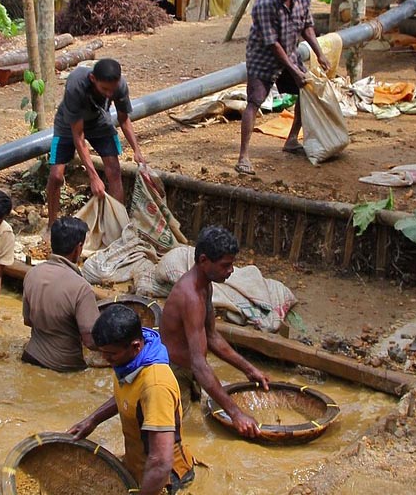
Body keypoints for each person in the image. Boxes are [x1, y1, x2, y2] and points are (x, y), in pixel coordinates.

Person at [68, 305, 195, 495]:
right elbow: (128, 393)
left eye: (110, 354)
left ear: (135, 346)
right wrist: (93, 420)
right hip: (136, 464)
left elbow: (161, 462)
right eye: (102, 351)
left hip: (163, 479)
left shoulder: (155, 386)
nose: (105, 358)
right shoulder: (128, 363)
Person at [160, 226, 270, 439]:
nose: (231, 271)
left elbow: (211, 336)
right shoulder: (190, 297)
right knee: (177, 435)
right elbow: (199, 364)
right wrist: (236, 413)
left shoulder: (205, 285)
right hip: (172, 374)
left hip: (189, 370)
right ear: (203, 261)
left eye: (232, 264)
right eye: (225, 265)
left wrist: (249, 369)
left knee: (195, 419)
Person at [236, 0, 331, 175]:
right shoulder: (265, 3)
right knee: (254, 102)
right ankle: (243, 156)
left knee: (304, 91)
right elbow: (272, 44)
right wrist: (294, 70)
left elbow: (307, 26)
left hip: (289, 53)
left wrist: (320, 53)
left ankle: (291, 139)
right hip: (263, 57)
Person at [46, 58, 146, 229]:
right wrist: (93, 176)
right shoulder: (76, 85)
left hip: (99, 121)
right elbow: (78, 136)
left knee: (114, 170)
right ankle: (51, 224)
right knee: (56, 175)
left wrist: (137, 150)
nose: (109, 94)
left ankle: (118, 226)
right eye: (104, 89)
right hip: (68, 124)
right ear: (93, 79)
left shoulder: (120, 86)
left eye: (112, 90)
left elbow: (123, 119)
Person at [22, 216, 100, 372]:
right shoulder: (81, 287)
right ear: (78, 248)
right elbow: (91, 341)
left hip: (29, 357)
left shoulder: (32, 274)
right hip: (64, 367)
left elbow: (28, 320)